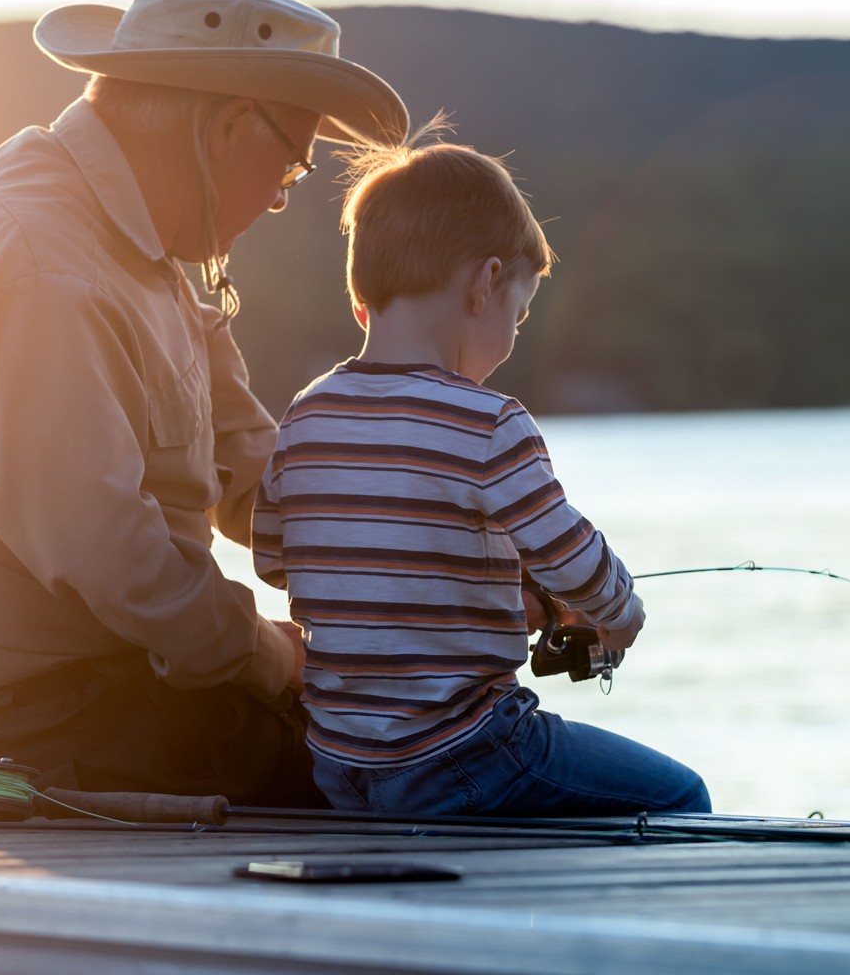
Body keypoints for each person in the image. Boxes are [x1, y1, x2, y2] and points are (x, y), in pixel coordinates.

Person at [0, 0, 406, 803]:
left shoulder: (137, 247)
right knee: (409, 769)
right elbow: (106, 549)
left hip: (84, 691)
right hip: (32, 717)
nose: (277, 200)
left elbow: (251, 473)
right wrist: (273, 657)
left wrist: (418, 560)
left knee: (406, 734)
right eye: (291, 168)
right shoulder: (46, 265)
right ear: (229, 127)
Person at [251, 139, 710, 816]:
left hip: (343, 767)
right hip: (466, 755)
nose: (514, 336)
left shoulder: (305, 415)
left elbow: (273, 561)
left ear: (361, 302)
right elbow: (576, 563)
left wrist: (478, 592)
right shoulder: (490, 422)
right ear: (485, 284)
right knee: (679, 797)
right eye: (518, 316)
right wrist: (622, 613)